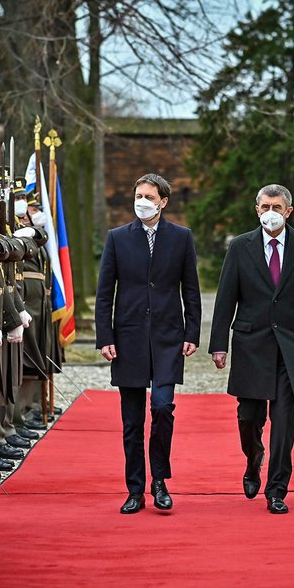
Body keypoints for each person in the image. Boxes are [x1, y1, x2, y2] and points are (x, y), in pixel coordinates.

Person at [209, 183, 294, 514]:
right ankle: (254, 459)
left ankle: (277, 488)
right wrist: (218, 345)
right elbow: (225, 299)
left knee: (284, 420)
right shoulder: (240, 247)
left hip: (291, 345)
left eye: (276, 207)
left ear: (288, 211)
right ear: (257, 209)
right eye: (265, 206)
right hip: (251, 343)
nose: (270, 213)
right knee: (249, 416)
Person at [95, 173, 201, 514]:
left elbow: (191, 290)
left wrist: (192, 333)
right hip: (128, 339)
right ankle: (135, 490)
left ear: (163, 201)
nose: (142, 201)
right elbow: (103, 294)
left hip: (169, 337)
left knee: (162, 407)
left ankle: (160, 480)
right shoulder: (117, 238)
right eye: (138, 194)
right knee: (132, 421)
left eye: (149, 196)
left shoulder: (181, 238)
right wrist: (105, 337)